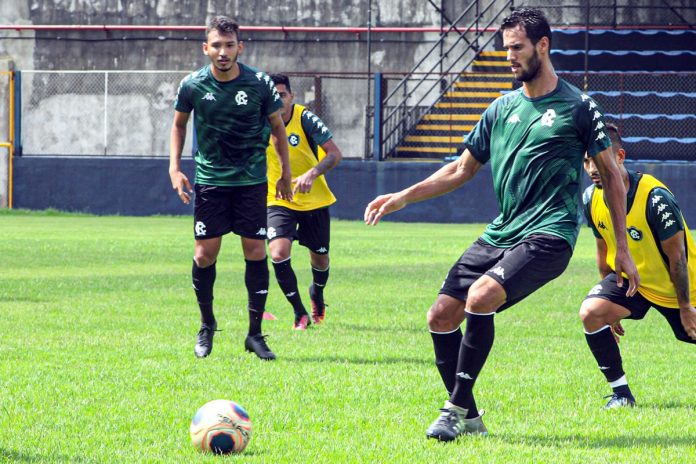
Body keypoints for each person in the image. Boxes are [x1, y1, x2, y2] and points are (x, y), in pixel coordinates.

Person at [363, 8, 639, 441]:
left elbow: (616, 181)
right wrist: (401, 196)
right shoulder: (500, 108)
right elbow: (459, 170)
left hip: (550, 233)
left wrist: (621, 248)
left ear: (542, 46)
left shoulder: (579, 107)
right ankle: (471, 419)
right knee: (440, 315)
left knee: (482, 295)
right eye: (505, 48)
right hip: (503, 231)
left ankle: (452, 409)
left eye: (517, 47)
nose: (509, 56)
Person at [169, 15, 293, 361]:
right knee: (203, 255)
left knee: (255, 252)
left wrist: (284, 173)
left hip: (251, 182)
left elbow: (277, 128)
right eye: (216, 46)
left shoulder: (259, 84)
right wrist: (175, 168)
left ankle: (254, 335)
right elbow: (179, 125)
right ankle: (207, 325)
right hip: (211, 182)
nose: (223, 52)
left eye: (229, 45)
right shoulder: (193, 85)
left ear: (240, 47)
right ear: (206, 48)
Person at [580, 123, 696, 408]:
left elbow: (678, 259)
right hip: (635, 285)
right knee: (591, 313)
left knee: (689, 333)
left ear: (619, 156)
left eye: (599, 158)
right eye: (586, 161)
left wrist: (685, 307)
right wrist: (610, 307)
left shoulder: (655, 199)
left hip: (678, 287)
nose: (593, 167)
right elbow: (603, 251)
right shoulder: (590, 198)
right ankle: (621, 395)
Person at [265, 74, 343, 330]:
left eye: (283, 95)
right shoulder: (258, 121)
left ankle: (317, 294)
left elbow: (334, 154)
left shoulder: (305, 118)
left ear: (292, 97)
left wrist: (312, 173)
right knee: (278, 253)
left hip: (314, 201)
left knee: (320, 260)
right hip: (278, 200)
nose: (278, 100)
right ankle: (299, 313)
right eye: (273, 95)